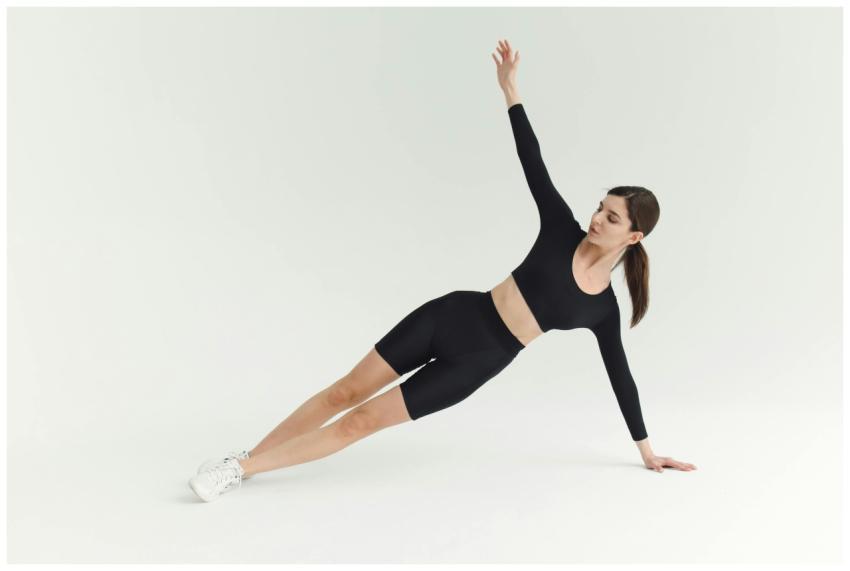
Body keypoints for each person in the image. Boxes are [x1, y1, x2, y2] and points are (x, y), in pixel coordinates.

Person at [188, 39, 697, 502]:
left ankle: (241, 468)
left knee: (360, 422)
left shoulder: (602, 308)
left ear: (634, 236)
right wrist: (511, 91)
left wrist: (647, 450)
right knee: (345, 392)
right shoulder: (560, 229)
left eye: (611, 218)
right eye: (599, 207)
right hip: (452, 314)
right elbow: (532, 160)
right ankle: (241, 466)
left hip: (476, 362)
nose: (596, 219)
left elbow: (620, 377)